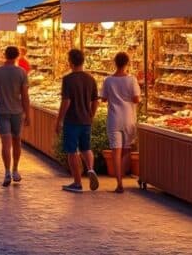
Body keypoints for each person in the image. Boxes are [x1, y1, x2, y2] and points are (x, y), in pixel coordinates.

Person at [0, 46, 30, 187]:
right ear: (17, 56)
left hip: (2, 112)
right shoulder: (21, 72)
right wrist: (28, 114)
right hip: (17, 112)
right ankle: (15, 170)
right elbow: (25, 96)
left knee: (5, 144)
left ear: (4, 55)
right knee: (17, 141)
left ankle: (6, 173)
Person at [56, 49, 100, 193]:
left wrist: (59, 120)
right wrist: (91, 115)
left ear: (71, 62)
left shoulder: (68, 79)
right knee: (86, 148)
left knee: (72, 151)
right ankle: (91, 169)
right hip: (86, 120)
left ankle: (77, 183)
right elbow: (95, 101)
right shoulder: (91, 79)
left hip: (72, 120)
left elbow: (66, 101)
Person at [100, 52, 141, 193]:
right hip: (128, 118)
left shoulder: (108, 80)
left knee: (115, 152)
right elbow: (136, 99)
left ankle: (119, 183)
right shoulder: (132, 80)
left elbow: (103, 99)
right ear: (127, 63)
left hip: (113, 118)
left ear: (115, 63)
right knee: (127, 150)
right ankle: (122, 175)